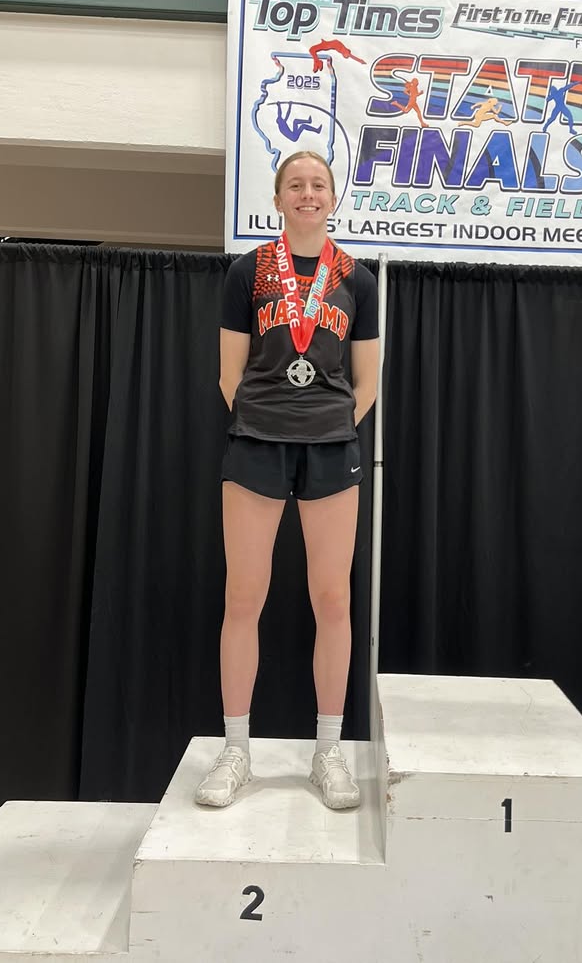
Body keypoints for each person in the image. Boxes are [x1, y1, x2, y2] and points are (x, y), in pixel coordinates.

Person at [196, 150, 380, 811]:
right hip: (256, 444)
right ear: (278, 199)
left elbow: (368, 382)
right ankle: (236, 750)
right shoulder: (248, 271)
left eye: (318, 185)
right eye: (295, 185)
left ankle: (327, 751)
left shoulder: (356, 279)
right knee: (243, 597)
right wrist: (269, 421)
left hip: (331, 450)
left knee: (333, 601)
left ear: (333, 198)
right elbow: (228, 375)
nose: (307, 194)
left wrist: (325, 426)